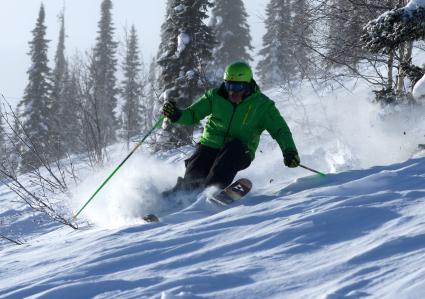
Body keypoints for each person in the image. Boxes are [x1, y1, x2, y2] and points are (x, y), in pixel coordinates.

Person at [161, 61, 300, 195]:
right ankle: (179, 198)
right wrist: (176, 114)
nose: (232, 91)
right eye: (229, 86)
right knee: (195, 172)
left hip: (240, 151)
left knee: (232, 149)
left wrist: (289, 151)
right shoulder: (215, 96)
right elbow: (192, 114)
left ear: (247, 85)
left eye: (238, 87)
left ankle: (210, 191)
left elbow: (280, 130)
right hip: (209, 146)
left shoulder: (262, 106)